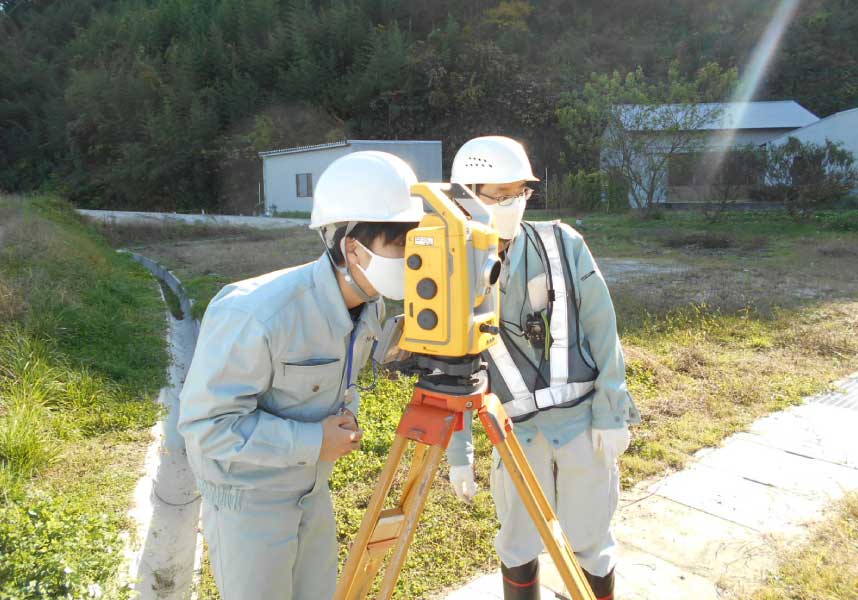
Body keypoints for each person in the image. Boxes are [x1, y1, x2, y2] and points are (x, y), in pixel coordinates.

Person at [177, 151, 424, 600]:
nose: (412, 260)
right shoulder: (256, 314)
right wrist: (314, 442)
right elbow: (205, 428)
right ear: (354, 248)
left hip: (312, 488)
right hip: (249, 502)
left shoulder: (371, 304)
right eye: (400, 247)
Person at [446, 136, 640, 600]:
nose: (512, 204)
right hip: (513, 436)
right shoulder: (450, 268)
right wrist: (459, 450)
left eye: (520, 192)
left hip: (582, 427)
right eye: (498, 195)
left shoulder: (561, 244)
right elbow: (453, 367)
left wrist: (613, 411)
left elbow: (602, 328)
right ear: (464, 196)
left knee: (591, 541)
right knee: (517, 543)